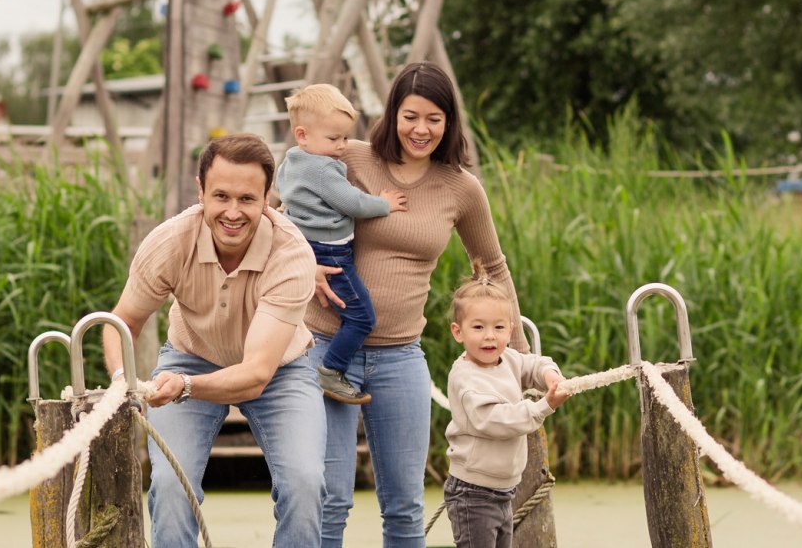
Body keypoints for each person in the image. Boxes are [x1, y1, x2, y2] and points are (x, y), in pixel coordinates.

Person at [305, 61, 525, 547]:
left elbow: (492, 266)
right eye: (410, 116)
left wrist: (522, 360)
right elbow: (281, 213)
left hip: (400, 356)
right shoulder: (351, 159)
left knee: (405, 506)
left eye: (433, 118)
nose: (420, 129)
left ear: (449, 122)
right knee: (330, 502)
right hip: (326, 350)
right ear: (392, 115)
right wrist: (305, 266)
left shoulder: (461, 188)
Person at [100, 133, 325, 548]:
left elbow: (256, 374)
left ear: (267, 198)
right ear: (200, 190)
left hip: (279, 370)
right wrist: (121, 380)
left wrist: (185, 387)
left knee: (306, 483)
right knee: (170, 486)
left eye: (247, 199)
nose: (233, 212)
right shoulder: (170, 241)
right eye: (221, 196)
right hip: (190, 356)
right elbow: (121, 323)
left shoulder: (292, 254)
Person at [276, 84, 409, 405]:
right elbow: (352, 203)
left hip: (309, 245)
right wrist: (384, 204)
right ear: (302, 135)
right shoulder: (322, 169)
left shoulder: (292, 161)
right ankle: (332, 369)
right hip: (331, 252)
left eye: (345, 138)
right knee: (362, 317)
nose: (342, 147)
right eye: (334, 138)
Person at [442, 265, 569, 548]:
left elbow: (532, 364)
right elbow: (495, 420)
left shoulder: (508, 359)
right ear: (458, 332)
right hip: (472, 493)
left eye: (498, 327)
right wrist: (544, 406)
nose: (490, 336)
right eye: (478, 327)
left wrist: (549, 374)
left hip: (504, 490)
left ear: (510, 330)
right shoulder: (466, 378)